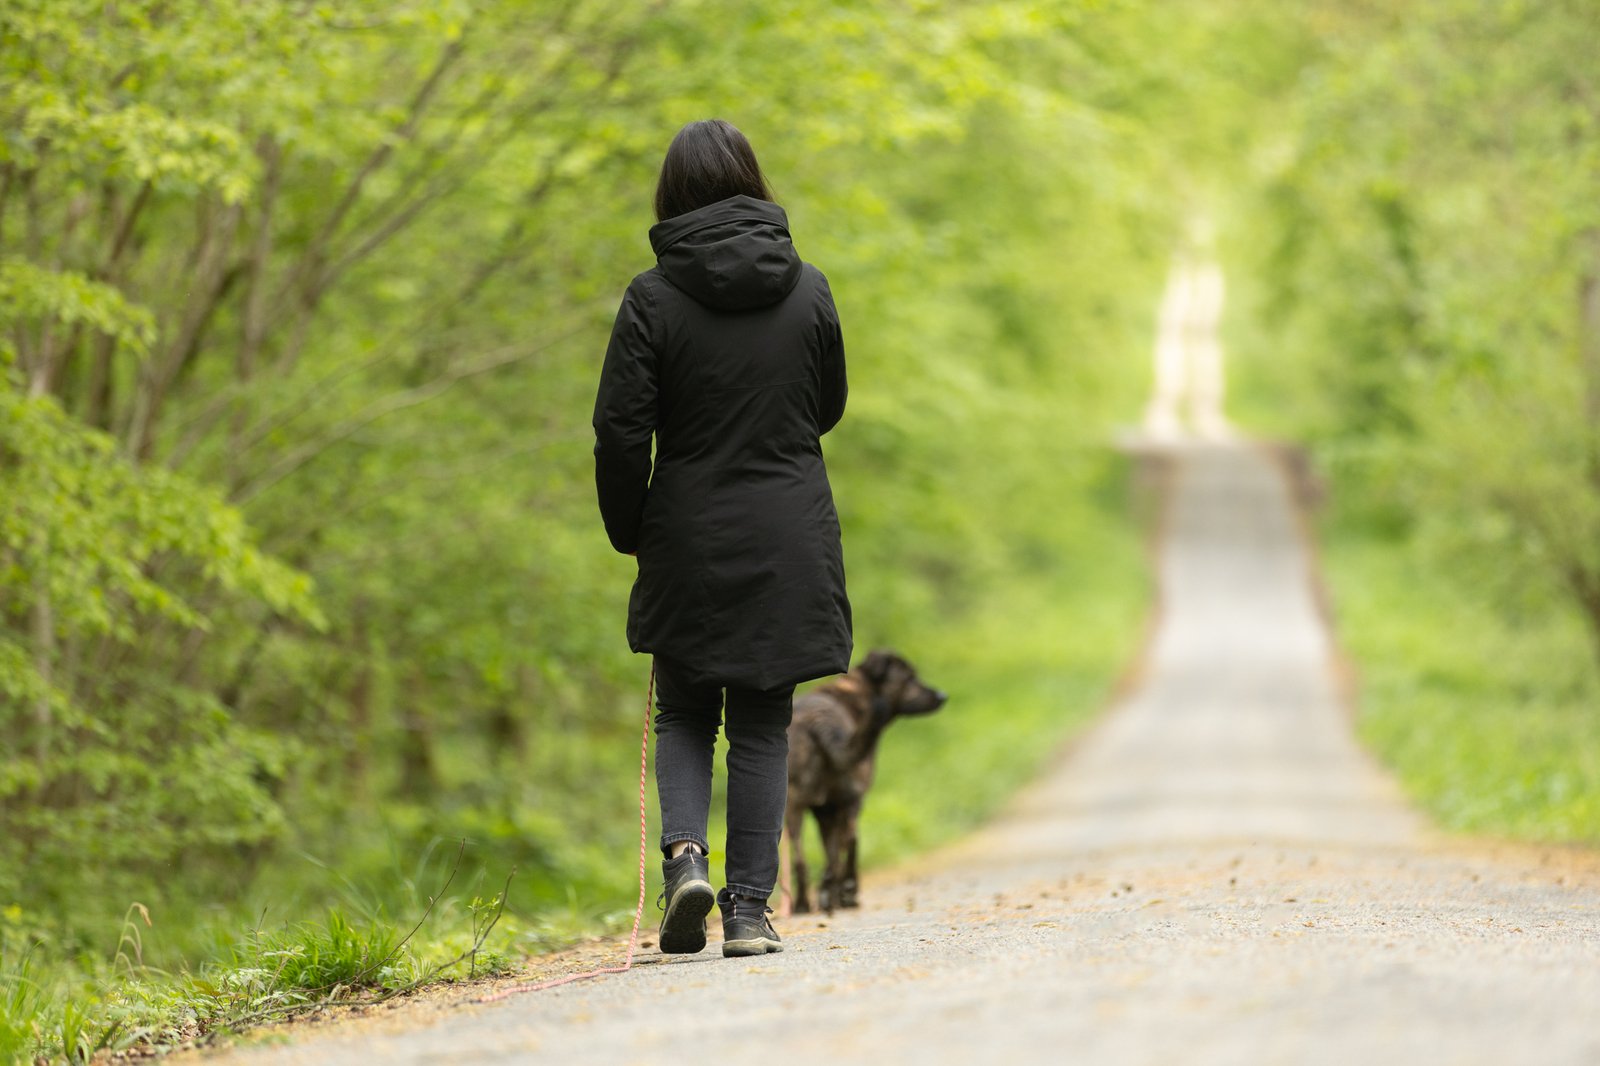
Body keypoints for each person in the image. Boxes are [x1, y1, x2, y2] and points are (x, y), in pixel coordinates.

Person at [592, 119, 852, 957]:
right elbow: (829, 405)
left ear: (670, 195)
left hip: (688, 529)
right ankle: (746, 911)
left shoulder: (650, 298)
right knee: (764, 721)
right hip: (787, 528)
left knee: (686, 709)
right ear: (753, 181)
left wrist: (631, 530)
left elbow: (620, 432)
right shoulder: (808, 288)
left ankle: (685, 861)